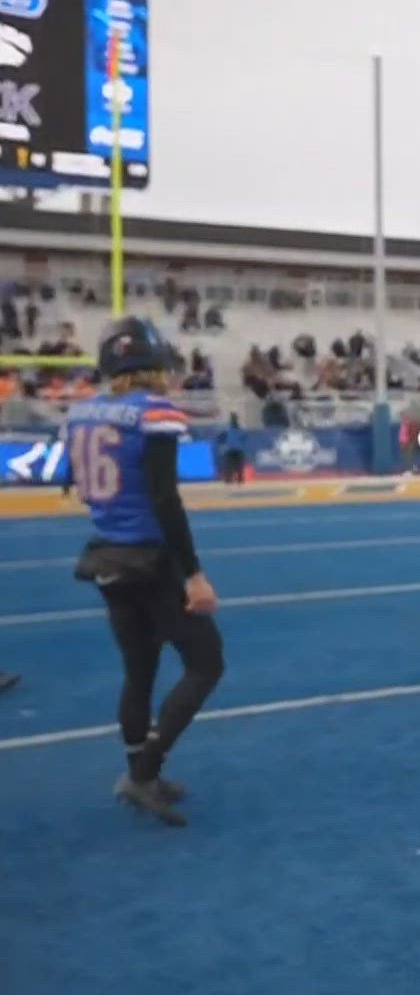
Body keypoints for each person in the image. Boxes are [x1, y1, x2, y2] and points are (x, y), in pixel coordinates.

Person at [63, 318, 225, 827]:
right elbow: (163, 499)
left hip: (106, 553)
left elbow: (75, 480)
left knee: (140, 670)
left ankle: (142, 770)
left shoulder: (82, 413)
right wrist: (193, 573)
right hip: (150, 558)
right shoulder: (153, 413)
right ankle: (143, 774)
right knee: (206, 663)